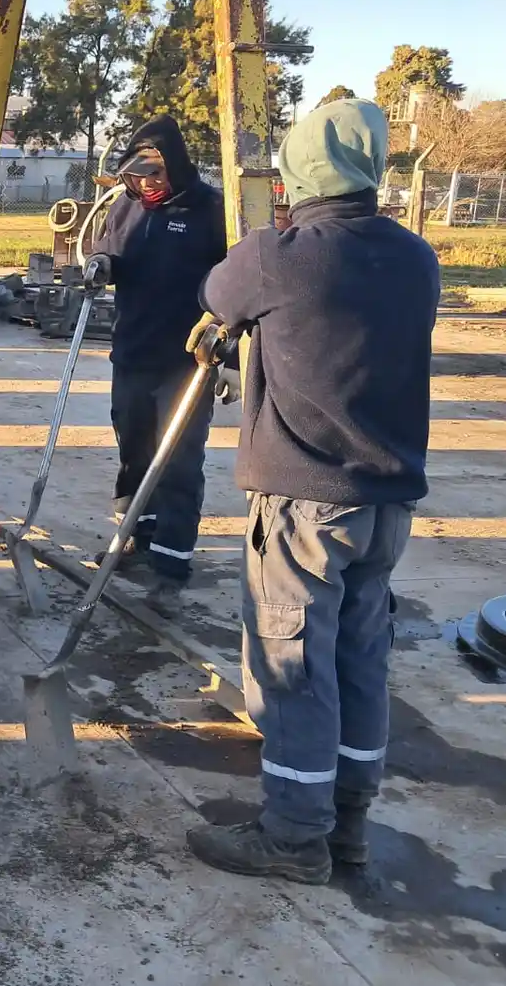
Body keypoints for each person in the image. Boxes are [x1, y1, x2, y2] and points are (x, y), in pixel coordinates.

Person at [185, 99, 438, 883]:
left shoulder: (278, 255)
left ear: (299, 170)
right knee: (360, 656)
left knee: (292, 665)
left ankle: (294, 835)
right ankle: (349, 825)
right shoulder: (416, 257)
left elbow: (216, 293)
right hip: (386, 500)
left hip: (304, 503)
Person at [84, 115, 229, 613]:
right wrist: (102, 263)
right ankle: (131, 533)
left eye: (155, 177)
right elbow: (111, 250)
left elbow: (232, 278)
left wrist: (224, 332)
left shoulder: (210, 209)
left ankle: (170, 563)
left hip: (187, 360)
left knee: (179, 458)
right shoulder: (125, 208)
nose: (145, 186)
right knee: (133, 446)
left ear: (177, 170)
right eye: (137, 177)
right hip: (133, 350)